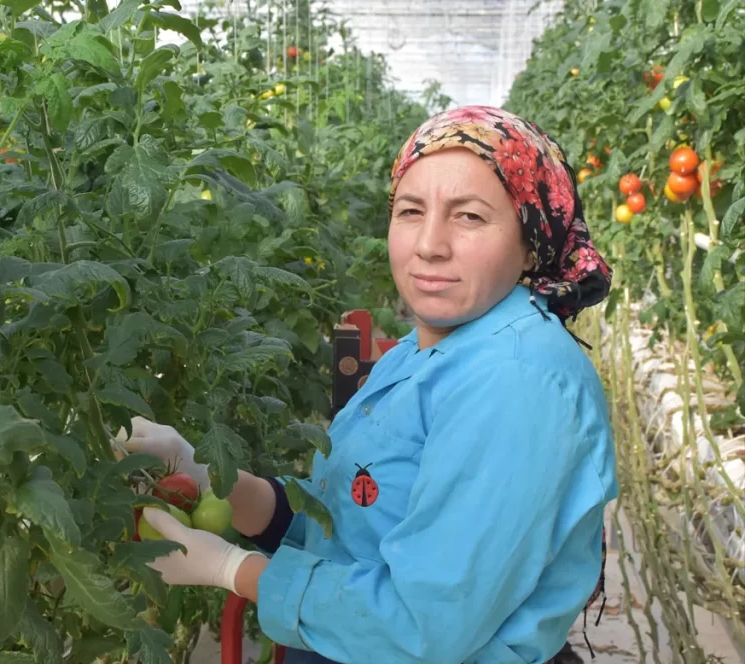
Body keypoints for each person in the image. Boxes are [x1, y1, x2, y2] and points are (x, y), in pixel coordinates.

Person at [115, 105, 618, 663]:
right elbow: (353, 515)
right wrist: (213, 477)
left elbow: (423, 625)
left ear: (531, 242)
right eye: (410, 211)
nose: (430, 244)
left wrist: (231, 569)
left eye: (469, 217)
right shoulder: (429, 348)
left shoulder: (518, 382)